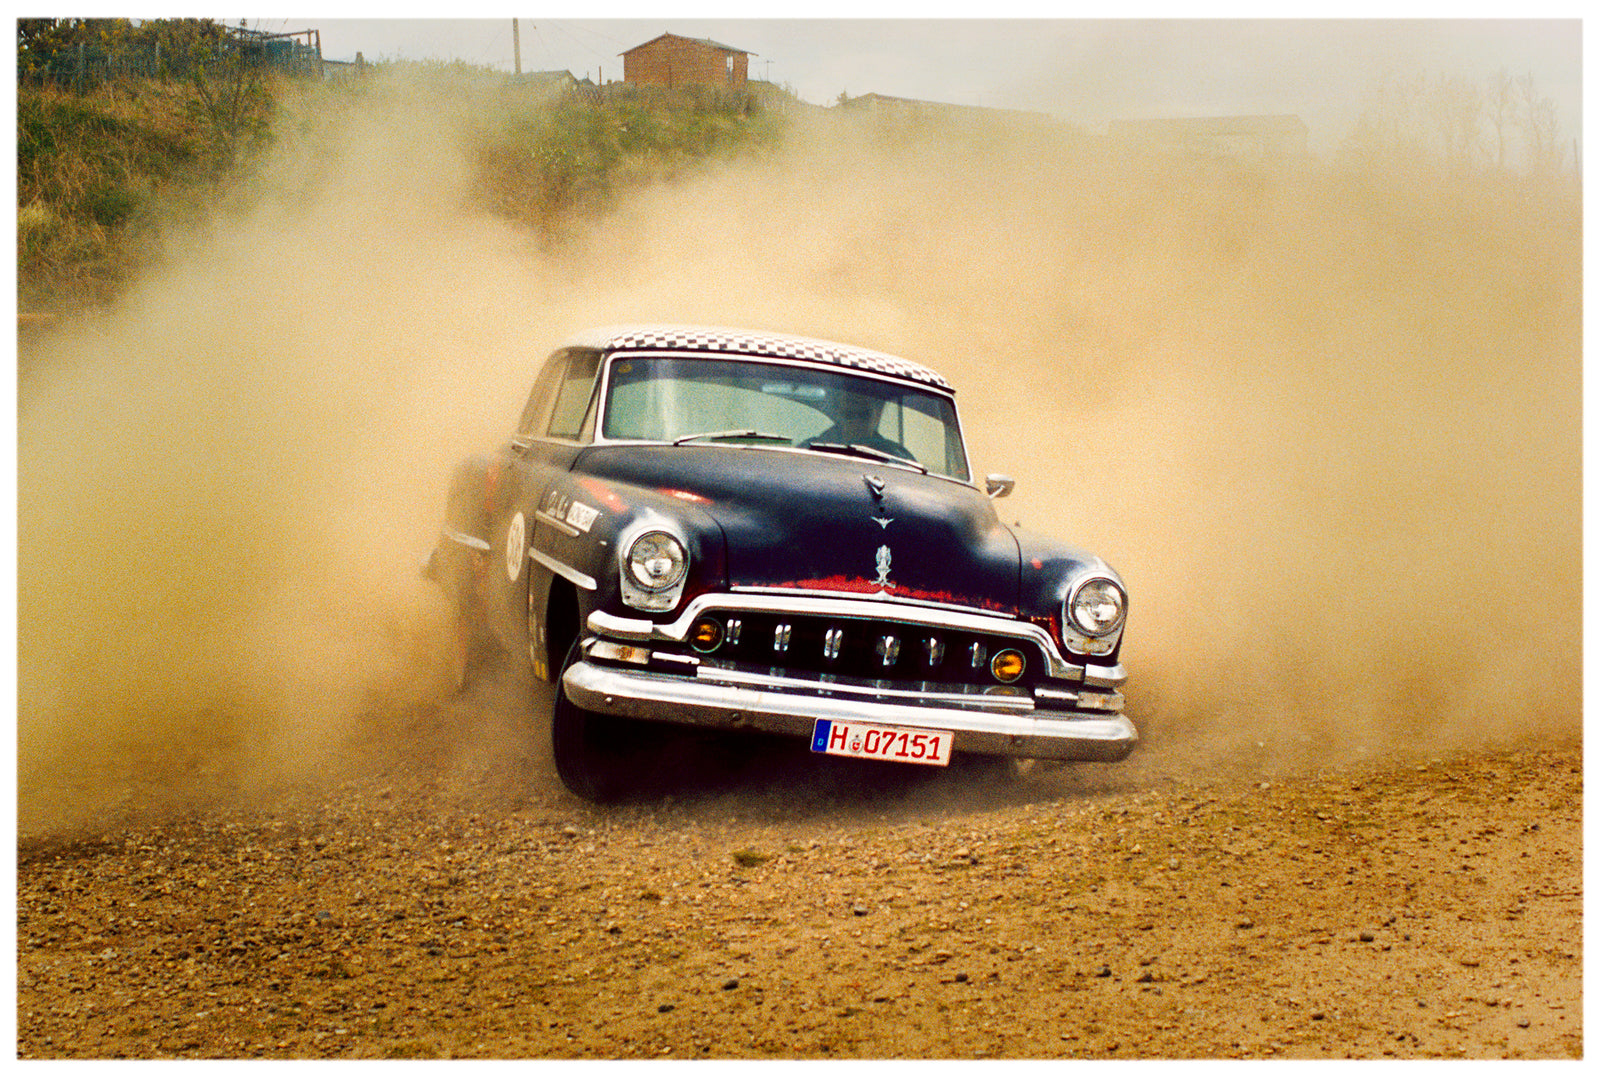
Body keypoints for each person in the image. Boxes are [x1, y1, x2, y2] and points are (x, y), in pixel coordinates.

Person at [811, 389, 909, 459]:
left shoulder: (897, 457)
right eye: (849, 415)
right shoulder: (811, 450)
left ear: (877, 415)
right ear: (838, 414)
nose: (856, 423)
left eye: (864, 415)